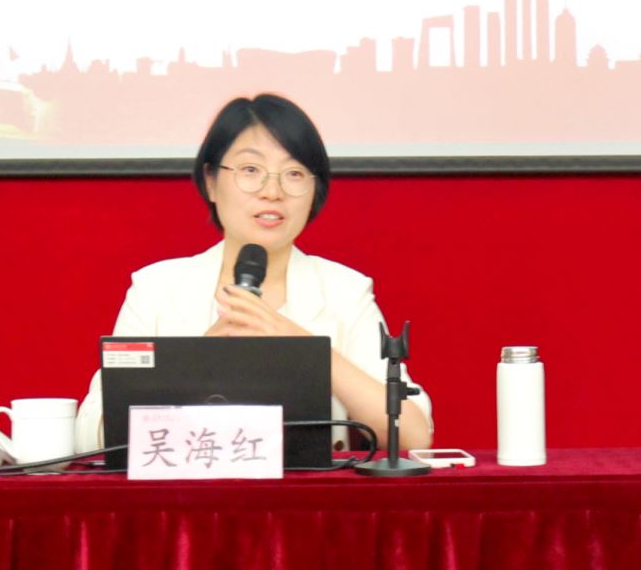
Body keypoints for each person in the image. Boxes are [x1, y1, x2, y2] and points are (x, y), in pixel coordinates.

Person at [74, 93, 433, 455]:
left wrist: (304, 349)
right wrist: (199, 362)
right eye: (250, 170)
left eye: (294, 174)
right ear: (211, 181)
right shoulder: (156, 289)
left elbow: (413, 434)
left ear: (315, 190)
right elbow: (93, 434)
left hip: (306, 491)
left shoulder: (345, 291)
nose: (272, 191)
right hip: (184, 489)